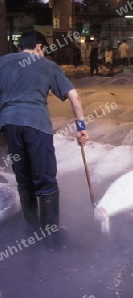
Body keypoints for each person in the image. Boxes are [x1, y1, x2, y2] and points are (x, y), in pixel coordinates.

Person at [0, 30, 89, 249]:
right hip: (36, 125)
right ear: (39, 47)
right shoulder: (47, 65)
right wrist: (81, 127)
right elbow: (74, 96)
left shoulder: (3, 62)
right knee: (45, 178)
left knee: (24, 178)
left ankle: (31, 233)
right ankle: (51, 237)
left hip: (10, 125)